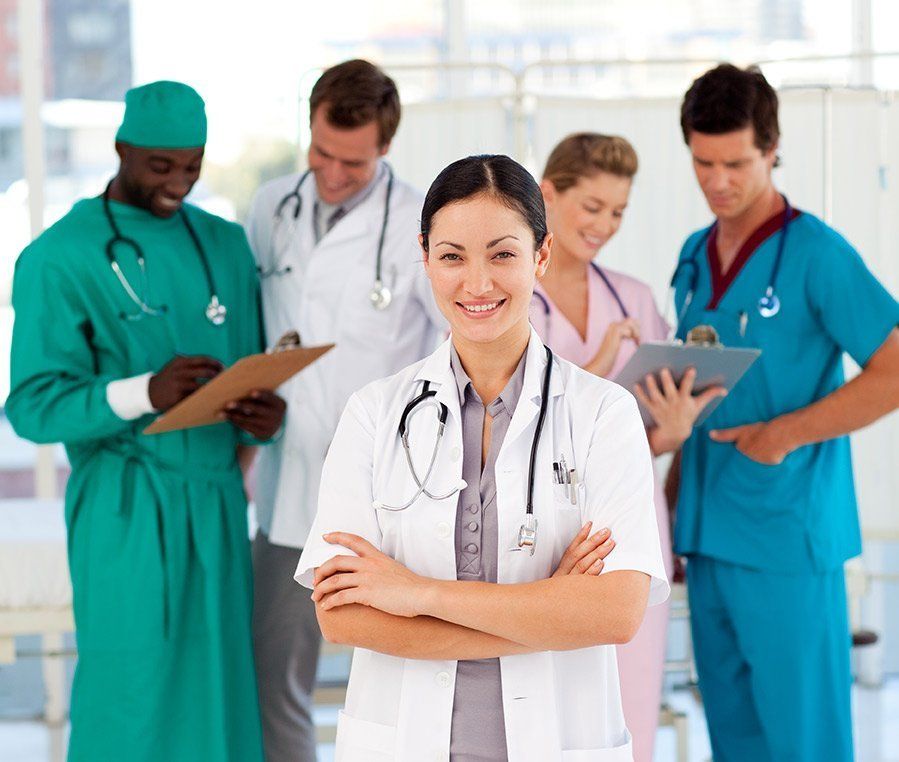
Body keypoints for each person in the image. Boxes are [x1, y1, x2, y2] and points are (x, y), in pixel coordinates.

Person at [295, 154, 669, 760]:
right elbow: (344, 618)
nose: (477, 283)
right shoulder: (374, 414)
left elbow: (617, 612)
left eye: (502, 254)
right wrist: (548, 616)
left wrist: (416, 594)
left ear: (541, 254)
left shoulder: (604, 413)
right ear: (425, 257)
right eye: (452, 256)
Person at [6, 81, 285, 762]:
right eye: (161, 166)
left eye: (192, 165)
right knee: (130, 692)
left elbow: (248, 361)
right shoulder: (59, 257)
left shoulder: (222, 245)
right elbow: (34, 407)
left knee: (218, 694)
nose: (178, 183)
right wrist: (143, 392)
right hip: (125, 509)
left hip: (216, 504)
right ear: (121, 149)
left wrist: (262, 417)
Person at [667, 64, 899, 761]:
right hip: (706, 531)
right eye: (701, 163)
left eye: (735, 163)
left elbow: (891, 371)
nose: (717, 182)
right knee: (733, 736)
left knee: (804, 740)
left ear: (770, 149)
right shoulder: (692, 253)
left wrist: (783, 434)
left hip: (785, 533)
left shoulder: (816, 255)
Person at [243, 59, 445, 761]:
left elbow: (457, 351)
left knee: (405, 683)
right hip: (290, 490)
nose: (331, 175)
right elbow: (254, 333)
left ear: (384, 148)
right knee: (274, 683)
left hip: (391, 497)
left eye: (352, 164)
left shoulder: (420, 225)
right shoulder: (272, 207)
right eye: (321, 153)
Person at [530, 133, 722, 762]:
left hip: (630, 528)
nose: (604, 226)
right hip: (540, 530)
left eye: (617, 213)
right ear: (546, 194)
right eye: (592, 207)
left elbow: (647, 437)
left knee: (632, 709)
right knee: (540, 712)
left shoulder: (634, 299)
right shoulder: (504, 296)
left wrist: (672, 429)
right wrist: (602, 359)